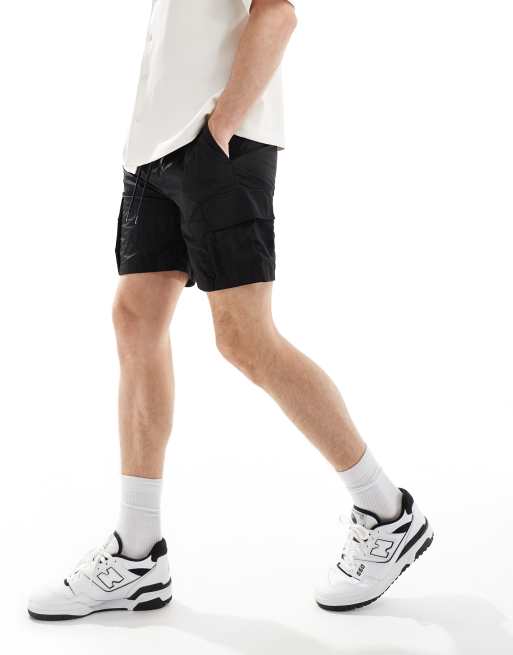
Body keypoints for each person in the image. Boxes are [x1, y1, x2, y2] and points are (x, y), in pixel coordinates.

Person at [28, 0, 433, 621]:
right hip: (155, 146)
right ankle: (137, 555)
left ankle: (386, 512)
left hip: (219, 144)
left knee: (245, 338)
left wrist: (219, 131)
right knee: (135, 320)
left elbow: (277, 14)